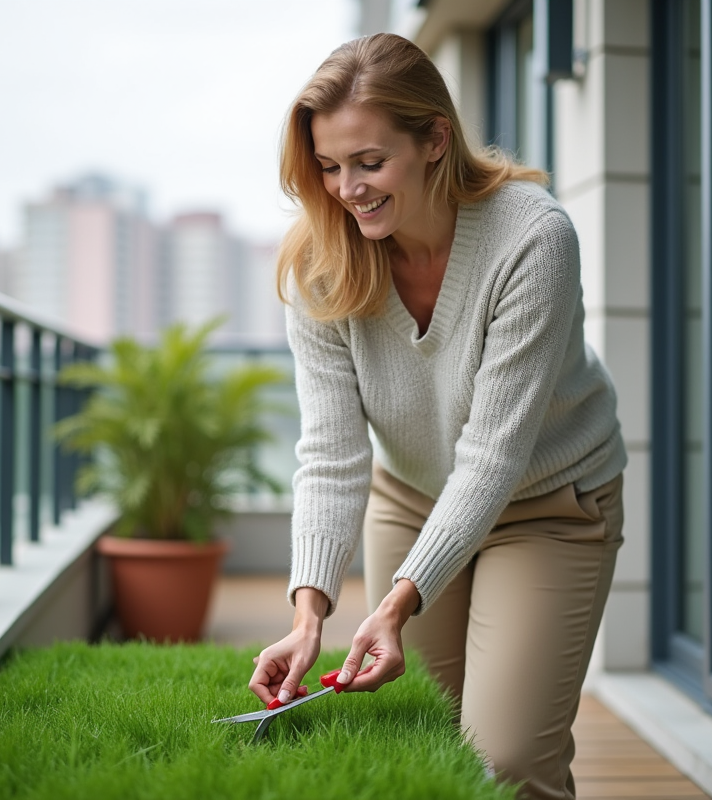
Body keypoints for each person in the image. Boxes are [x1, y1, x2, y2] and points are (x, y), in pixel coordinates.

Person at [248, 32, 627, 800]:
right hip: (414, 498)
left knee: (509, 760)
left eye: (368, 162)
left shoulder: (531, 238)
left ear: (434, 140)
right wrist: (309, 611)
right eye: (328, 167)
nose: (347, 189)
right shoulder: (321, 261)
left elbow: (493, 454)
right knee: (428, 742)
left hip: (548, 506)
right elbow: (330, 452)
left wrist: (392, 602)